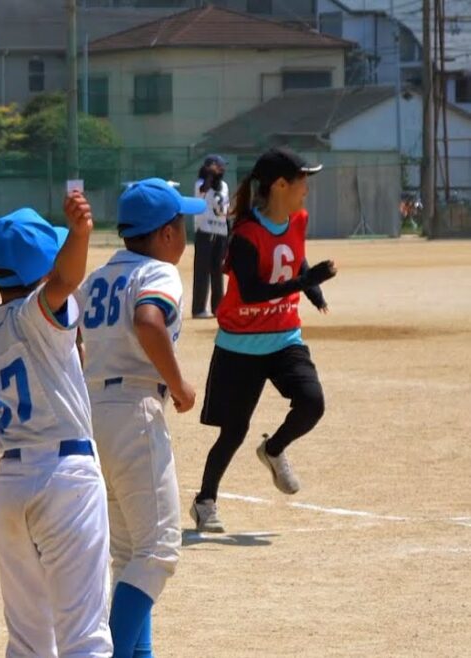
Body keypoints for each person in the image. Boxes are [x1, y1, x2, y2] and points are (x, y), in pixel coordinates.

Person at [0, 194, 113, 657]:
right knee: (85, 636)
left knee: (30, 639)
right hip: (66, 480)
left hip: (11, 486)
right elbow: (66, 280)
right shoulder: (39, 314)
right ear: (42, 270)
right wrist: (79, 234)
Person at [79, 178, 203, 658]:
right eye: (182, 226)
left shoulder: (98, 276)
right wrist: (178, 383)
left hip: (93, 410)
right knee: (158, 552)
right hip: (133, 410)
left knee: (130, 554)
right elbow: (149, 320)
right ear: (166, 235)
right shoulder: (159, 272)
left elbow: (72, 335)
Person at [191, 147, 338, 533]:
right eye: (302, 181)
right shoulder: (245, 234)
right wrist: (306, 282)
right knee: (233, 430)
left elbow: (296, 258)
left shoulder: (296, 221)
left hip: (285, 337)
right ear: (280, 184)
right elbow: (253, 290)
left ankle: (273, 449)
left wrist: (312, 291)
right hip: (240, 344)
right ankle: (205, 501)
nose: (306, 189)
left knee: (312, 403)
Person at [191, 155, 230, 318]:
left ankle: (218, 307)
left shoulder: (224, 186)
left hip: (220, 231)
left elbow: (225, 209)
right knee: (202, 270)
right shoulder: (201, 184)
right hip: (205, 230)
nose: (222, 169)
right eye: (219, 166)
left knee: (217, 271)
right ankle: (199, 308)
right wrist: (210, 175)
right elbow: (203, 191)